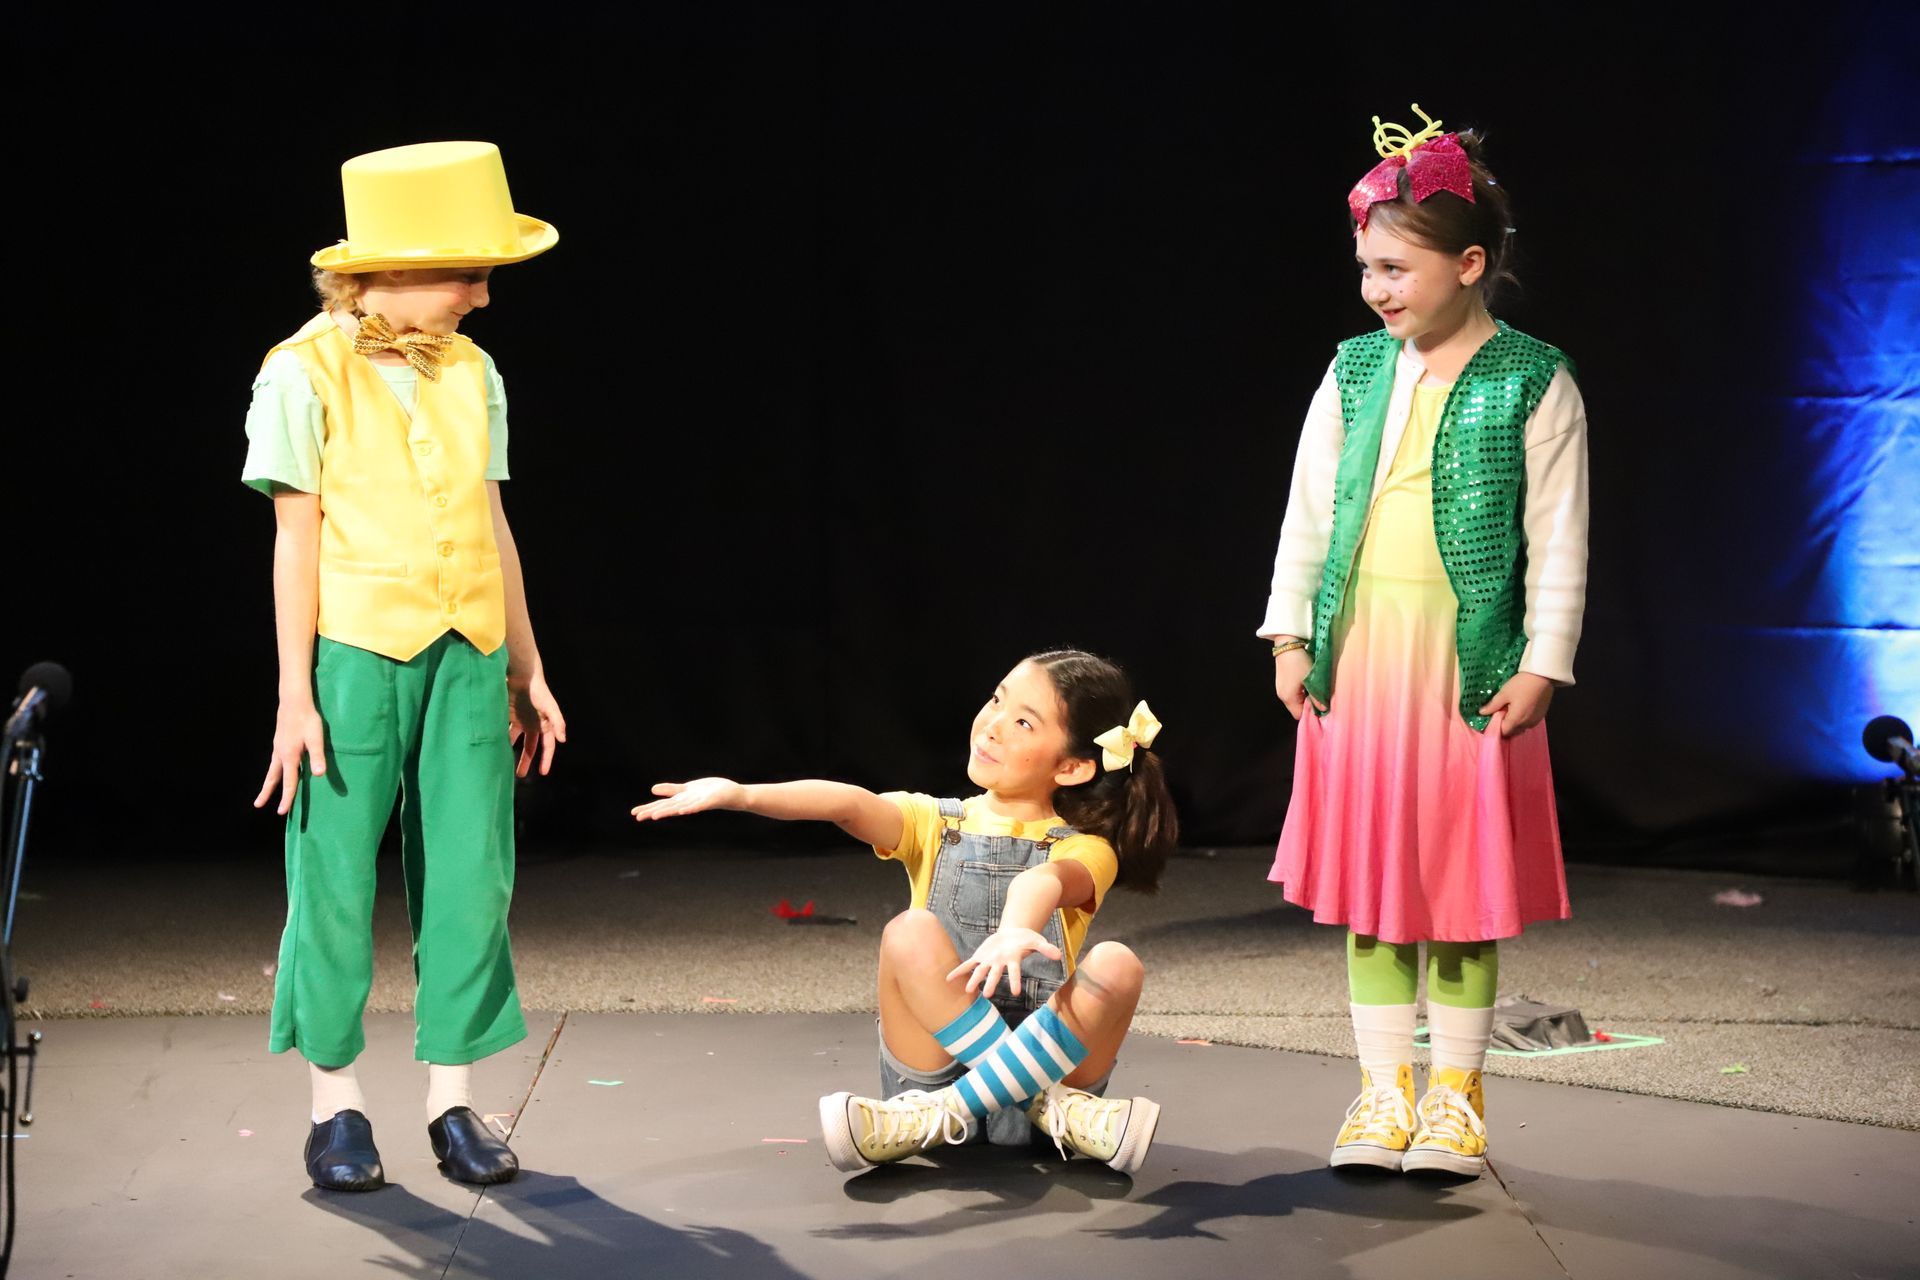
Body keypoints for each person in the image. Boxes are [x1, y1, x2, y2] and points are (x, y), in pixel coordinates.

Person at [1259, 106, 1589, 1176]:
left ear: (1470, 263)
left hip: (1462, 663)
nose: (1379, 289)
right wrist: (1289, 635)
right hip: (1363, 659)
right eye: (1367, 269)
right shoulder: (1356, 370)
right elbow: (1308, 514)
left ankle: (1455, 1093)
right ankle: (1380, 1089)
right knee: (1373, 879)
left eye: (1398, 267)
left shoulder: (1531, 377)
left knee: (1455, 884)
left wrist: (1543, 658)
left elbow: (1559, 532)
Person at [243, 141, 567, 1192]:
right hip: (353, 653)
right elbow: (297, 536)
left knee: (472, 874)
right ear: (388, 268)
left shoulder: (475, 371)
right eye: (467, 272)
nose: (482, 295)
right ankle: (335, 1108)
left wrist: (527, 660)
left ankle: (452, 1099)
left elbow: (495, 519)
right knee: (332, 875)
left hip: (466, 650)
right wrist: (295, 695)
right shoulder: (300, 370)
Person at [631, 649, 1179, 1173]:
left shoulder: (1086, 848)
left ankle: (952, 1116)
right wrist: (742, 795)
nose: (992, 724)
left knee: (1117, 965)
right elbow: (849, 803)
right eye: (996, 700)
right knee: (910, 931)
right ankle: (1032, 1098)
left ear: (1073, 767)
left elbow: (1044, 881)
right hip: (936, 1074)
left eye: (1024, 723)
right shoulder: (935, 822)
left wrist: (1016, 931)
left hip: (1039, 1073)